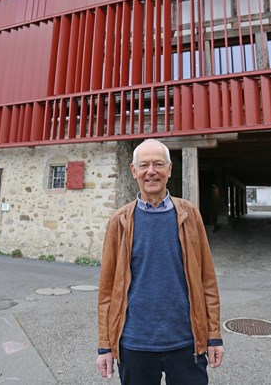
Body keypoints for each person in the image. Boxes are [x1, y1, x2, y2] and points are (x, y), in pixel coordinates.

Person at [95, 138, 224, 384]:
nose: (151, 171)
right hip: (134, 344)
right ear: (134, 171)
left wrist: (214, 336)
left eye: (158, 164)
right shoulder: (119, 222)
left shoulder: (189, 215)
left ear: (169, 170)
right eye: (144, 165)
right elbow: (107, 291)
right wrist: (105, 346)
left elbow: (207, 280)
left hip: (186, 342)